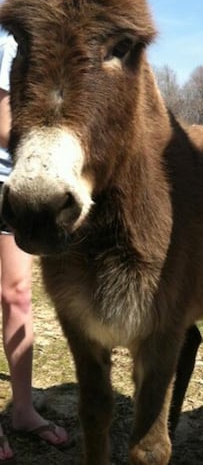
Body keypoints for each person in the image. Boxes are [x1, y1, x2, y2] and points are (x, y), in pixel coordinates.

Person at [0, 34, 69, 460]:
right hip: (18, 174)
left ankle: (23, 410)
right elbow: (5, 127)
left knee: (18, 297)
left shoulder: (20, 43)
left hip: (12, 188)